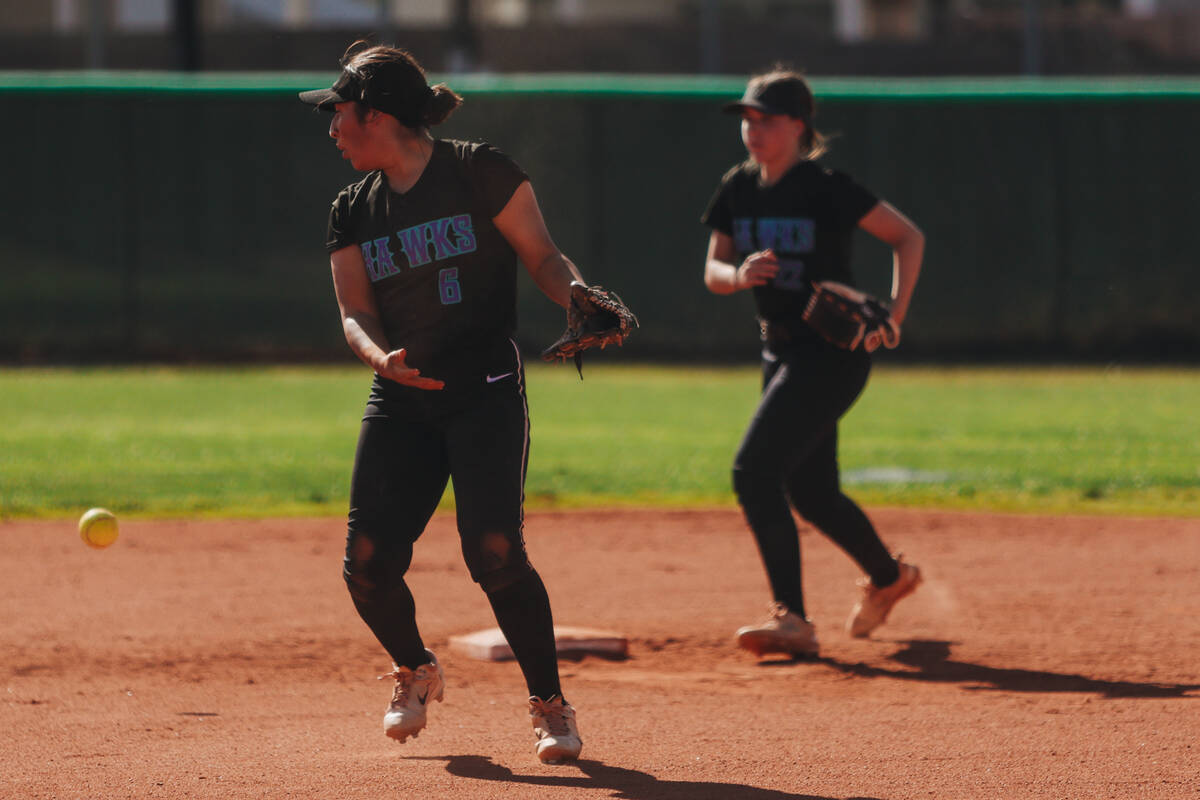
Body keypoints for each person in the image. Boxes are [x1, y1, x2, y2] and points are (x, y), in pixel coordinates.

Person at [299, 42, 584, 763]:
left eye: (340, 111)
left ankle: (550, 706)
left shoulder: (477, 170)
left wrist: (576, 295)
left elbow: (543, 256)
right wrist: (377, 358)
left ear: (379, 113)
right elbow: (354, 310)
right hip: (401, 399)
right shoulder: (352, 209)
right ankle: (414, 668)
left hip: (484, 390)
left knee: (493, 553)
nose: (331, 126)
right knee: (366, 562)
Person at [700, 69, 926, 659]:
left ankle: (793, 619)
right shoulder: (738, 188)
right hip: (777, 350)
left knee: (753, 472)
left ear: (799, 126)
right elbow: (714, 270)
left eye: (766, 119)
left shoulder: (825, 187)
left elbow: (907, 237)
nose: (753, 129)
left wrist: (896, 315)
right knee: (814, 491)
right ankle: (889, 577)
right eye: (747, 118)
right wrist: (739, 274)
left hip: (830, 353)